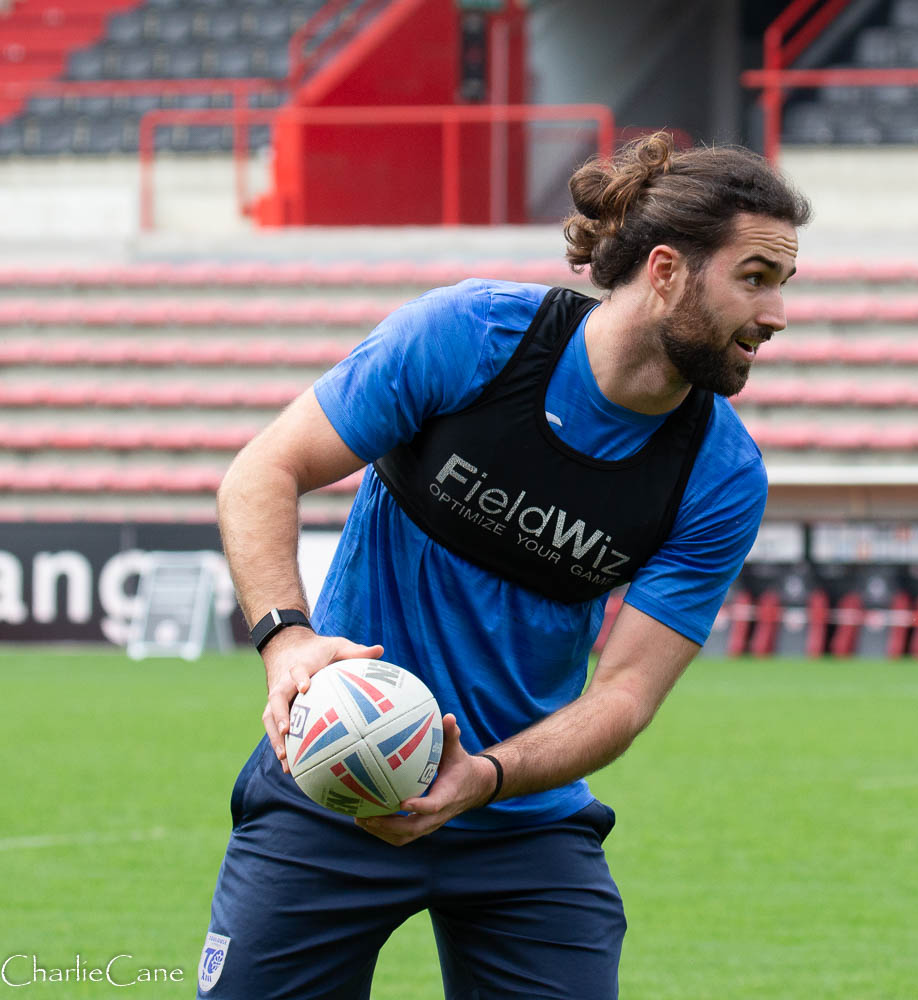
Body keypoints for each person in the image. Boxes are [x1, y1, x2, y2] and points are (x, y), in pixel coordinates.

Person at [196, 131, 811, 999]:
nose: (777, 314)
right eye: (755, 278)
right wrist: (287, 640)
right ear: (668, 270)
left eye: (783, 283)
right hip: (331, 787)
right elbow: (265, 470)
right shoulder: (472, 337)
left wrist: (482, 777)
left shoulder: (720, 477)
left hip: (523, 820)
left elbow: (624, 697)